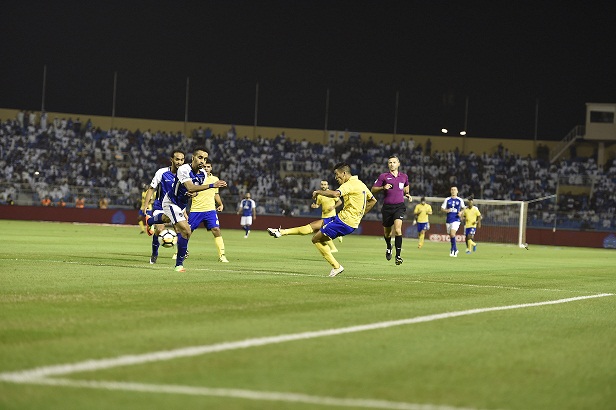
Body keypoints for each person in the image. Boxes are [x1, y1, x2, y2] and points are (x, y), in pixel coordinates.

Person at [267, 162, 376, 277]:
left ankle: (336, 266)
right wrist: (360, 215)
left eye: (337, 174)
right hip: (343, 219)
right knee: (314, 225)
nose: (336, 177)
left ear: (344, 173)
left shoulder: (349, 184)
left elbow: (335, 194)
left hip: (344, 221)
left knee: (315, 239)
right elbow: (373, 200)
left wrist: (318, 191)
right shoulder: (360, 184)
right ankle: (281, 232)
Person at [146, 148, 227, 272]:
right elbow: (190, 186)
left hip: (182, 204)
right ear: (193, 157)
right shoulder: (184, 169)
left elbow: (193, 191)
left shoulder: (203, 174)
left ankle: (151, 221)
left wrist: (192, 195)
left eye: (205, 159)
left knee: (167, 219)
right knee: (186, 230)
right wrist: (212, 185)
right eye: (200, 157)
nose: (203, 161)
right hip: (171, 202)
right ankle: (179, 265)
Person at [142, 150, 186, 263]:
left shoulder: (185, 176)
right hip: (160, 206)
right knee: (160, 229)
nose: (179, 162)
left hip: (175, 207)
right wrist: (146, 205)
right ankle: (154, 254)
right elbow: (152, 188)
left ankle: (180, 255)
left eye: (182, 160)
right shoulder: (161, 172)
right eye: (177, 159)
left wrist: (184, 211)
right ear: (171, 160)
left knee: (179, 229)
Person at [371, 155, 412, 265]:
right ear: (388, 164)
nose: (392, 164)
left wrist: (407, 194)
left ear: (398, 164)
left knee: (398, 230)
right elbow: (373, 189)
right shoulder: (383, 176)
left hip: (399, 207)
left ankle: (398, 256)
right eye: (390, 162)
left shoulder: (404, 176)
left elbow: (406, 186)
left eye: (394, 162)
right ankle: (389, 246)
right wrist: (382, 188)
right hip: (387, 208)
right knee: (387, 233)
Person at [188, 158, 229, 263]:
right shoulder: (194, 177)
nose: (206, 168)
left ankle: (222, 255)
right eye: (205, 166)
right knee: (187, 231)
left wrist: (220, 204)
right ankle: (180, 252)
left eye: (208, 166)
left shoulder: (215, 179)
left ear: (211, 168)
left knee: (216, 230)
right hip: (196, 209)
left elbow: (216, 194)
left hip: (210, 209)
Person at [311, 180, 343, 250]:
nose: (323, 186)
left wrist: (333, 207)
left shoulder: (331, 193)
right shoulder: (319, 195)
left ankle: (334, 246)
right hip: (324, 216)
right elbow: (318, 205)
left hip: (331, 215)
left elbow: (340, 202)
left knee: (324, 232)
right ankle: (336, 239)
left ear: (327, 186)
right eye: (322, 184)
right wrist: (315, 206)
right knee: (325, 232)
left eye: (325, 184)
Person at [441, 186, 466, 257]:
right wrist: (446, 210)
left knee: (452, 234)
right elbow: (442, 208)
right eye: (452, 190)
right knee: (451, 235)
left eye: (454, 190)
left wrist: (461, 212)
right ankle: (455, 249)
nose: (453, 191)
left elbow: (464, 208)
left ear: (457, 191)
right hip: (449, 219)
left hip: (456, 219)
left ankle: (452, 249)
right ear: (450, 191)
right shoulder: (447, 199)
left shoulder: (460, 200)